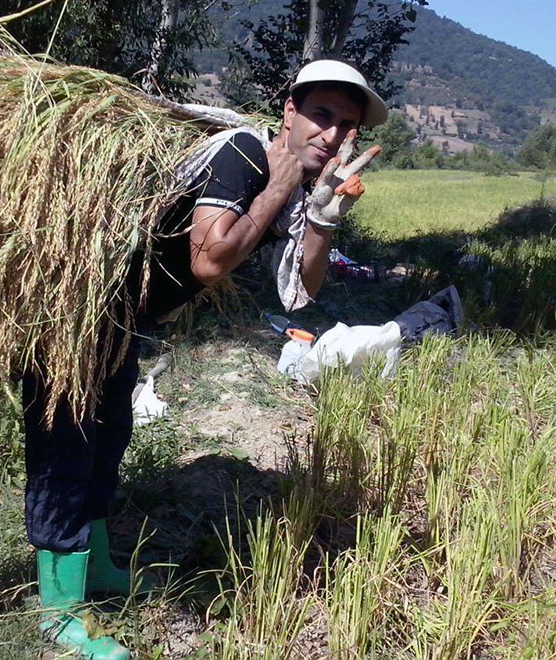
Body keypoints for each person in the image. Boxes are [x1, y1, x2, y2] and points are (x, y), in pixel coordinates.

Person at [23, 59, 388, 658]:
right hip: (70, 311)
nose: (331, 134)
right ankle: (58, 612)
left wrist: (322, 217)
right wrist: (280, 185)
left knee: (107, 438)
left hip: (118, 321)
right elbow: (209, 259)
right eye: (321, 115)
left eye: (345, 125)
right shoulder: (243, 154)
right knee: (67, 449)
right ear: (289, 112)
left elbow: (303, 291)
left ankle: (98, 567)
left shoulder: (293, 187)